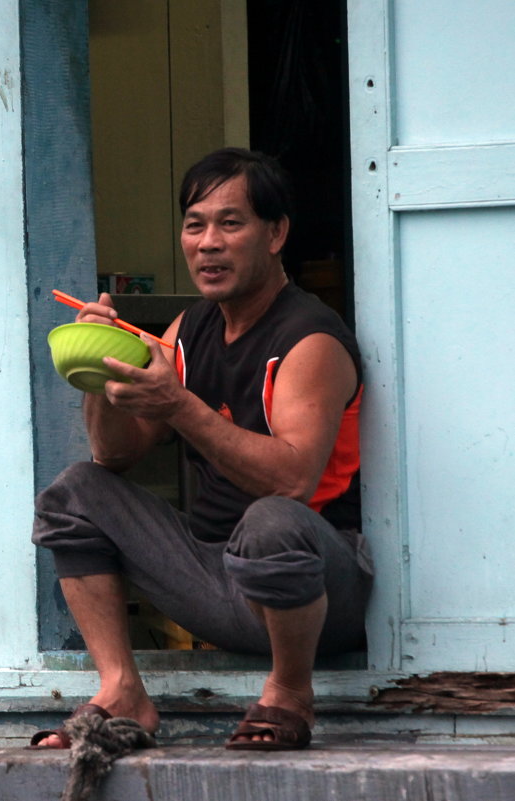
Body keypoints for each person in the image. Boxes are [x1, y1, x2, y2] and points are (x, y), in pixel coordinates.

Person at [29, 147, 372, 751]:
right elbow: (115, 457)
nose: (208, 242)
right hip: (213, 580)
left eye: (230, 223)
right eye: (195, 224)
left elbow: (293, 481)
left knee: (271, 521)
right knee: (74, 493)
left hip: (316, 591)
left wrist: (179, 405)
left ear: (276, 233)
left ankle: (290, 693)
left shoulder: (310, 339)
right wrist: (98, 367)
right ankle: (120, 689)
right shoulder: (188, 330)